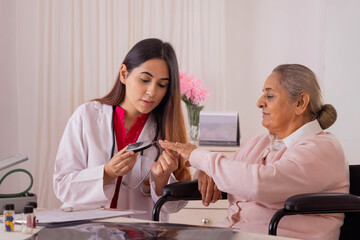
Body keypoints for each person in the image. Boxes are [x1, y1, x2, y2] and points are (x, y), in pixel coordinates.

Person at [160, 64, 349, 240]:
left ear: (300, 102)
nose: (259, 103)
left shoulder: (322, 148)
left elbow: (259, 183)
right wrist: (206, 172)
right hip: (232, 233)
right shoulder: (260, 143)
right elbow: (230, 171)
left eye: (269, 96)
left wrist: (200, 157)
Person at [53, 38, 191, 221]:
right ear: (124, 74)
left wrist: (161, 181)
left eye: (161, 85)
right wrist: (107, 172)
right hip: (86, 230)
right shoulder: (87, 116)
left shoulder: (167, 129)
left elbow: (175, 207)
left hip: (139, 231)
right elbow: (63, 186)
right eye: (144, 79)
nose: (152, 92)